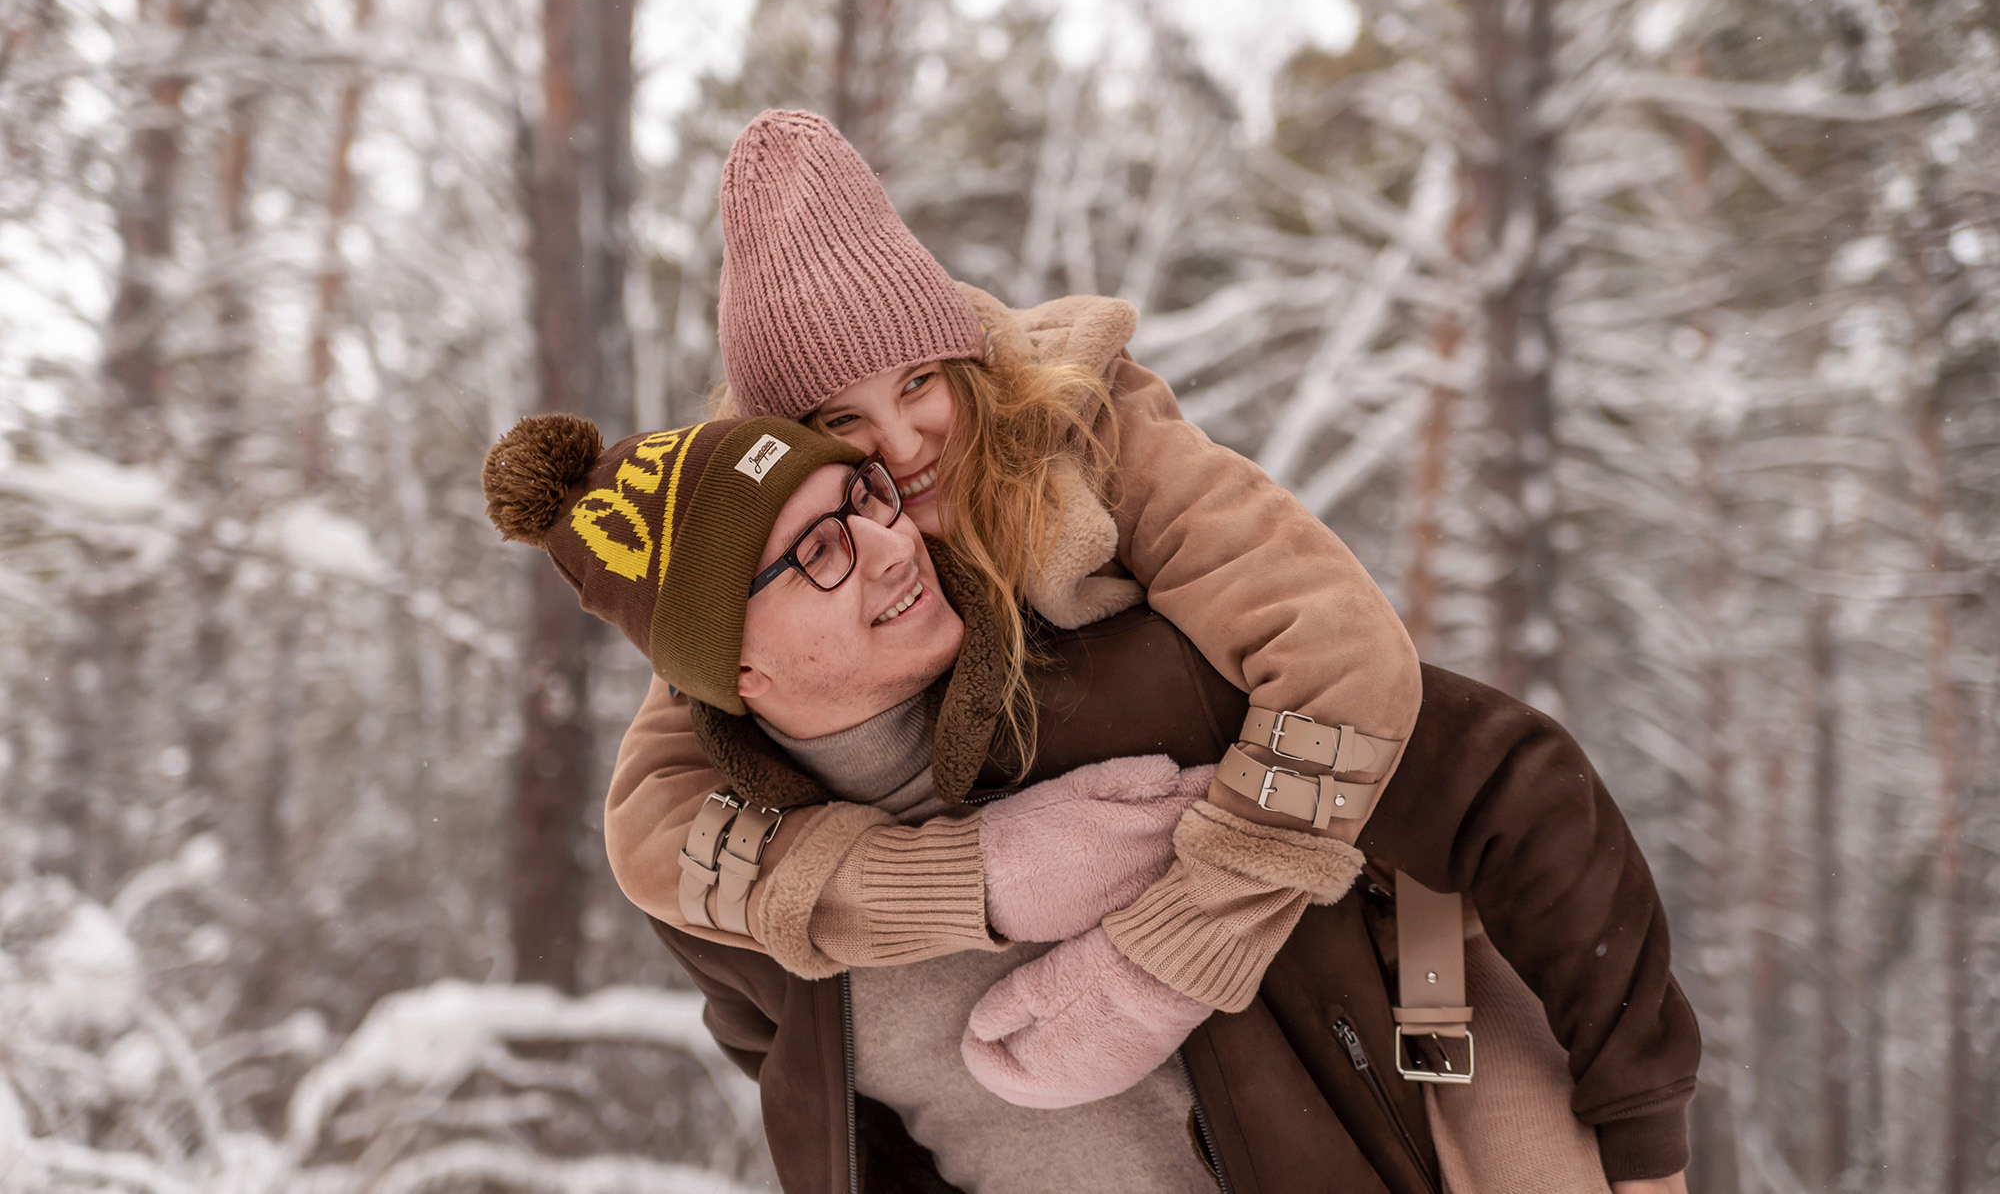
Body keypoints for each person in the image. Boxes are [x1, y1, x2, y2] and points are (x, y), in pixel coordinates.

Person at [481, 410, 1699, 1194]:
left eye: (858, 498)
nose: (888, 543)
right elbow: (830, 1114)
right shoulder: (732, 895)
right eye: (815, 555)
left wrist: (1635, 1133)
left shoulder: (1127, 672)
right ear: (734, 673)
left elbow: (1502, 780)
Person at [610, 108, 1424, 1034]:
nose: (904, 442)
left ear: (965, 362)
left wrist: (1171, 955)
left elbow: (1342, 653)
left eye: (919, 382)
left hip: (1360, 931)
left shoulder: (1090, 429)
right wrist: (966, 878)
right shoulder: (774, 550)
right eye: (842, 421)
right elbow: (653, 822)